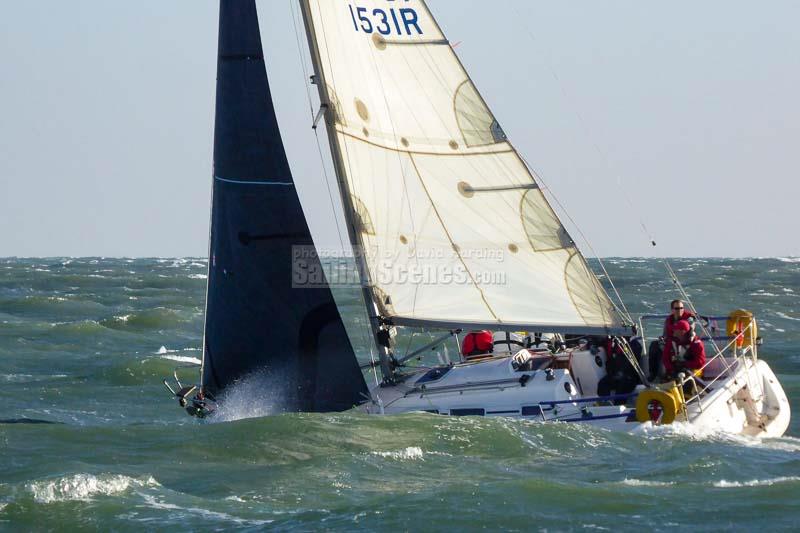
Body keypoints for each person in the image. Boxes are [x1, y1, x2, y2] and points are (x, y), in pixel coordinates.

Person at [647, 300, 696, 380]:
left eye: (681, 308)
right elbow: (665, 335)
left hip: (683, 344)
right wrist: (663, 339)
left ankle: (668, 373)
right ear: (672, 310)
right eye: (677, 308)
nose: (680, 310)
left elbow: (690, 327)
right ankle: (653, 373)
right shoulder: (668, 320)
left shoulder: (689, 318)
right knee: (654, 345)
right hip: (671, 342)